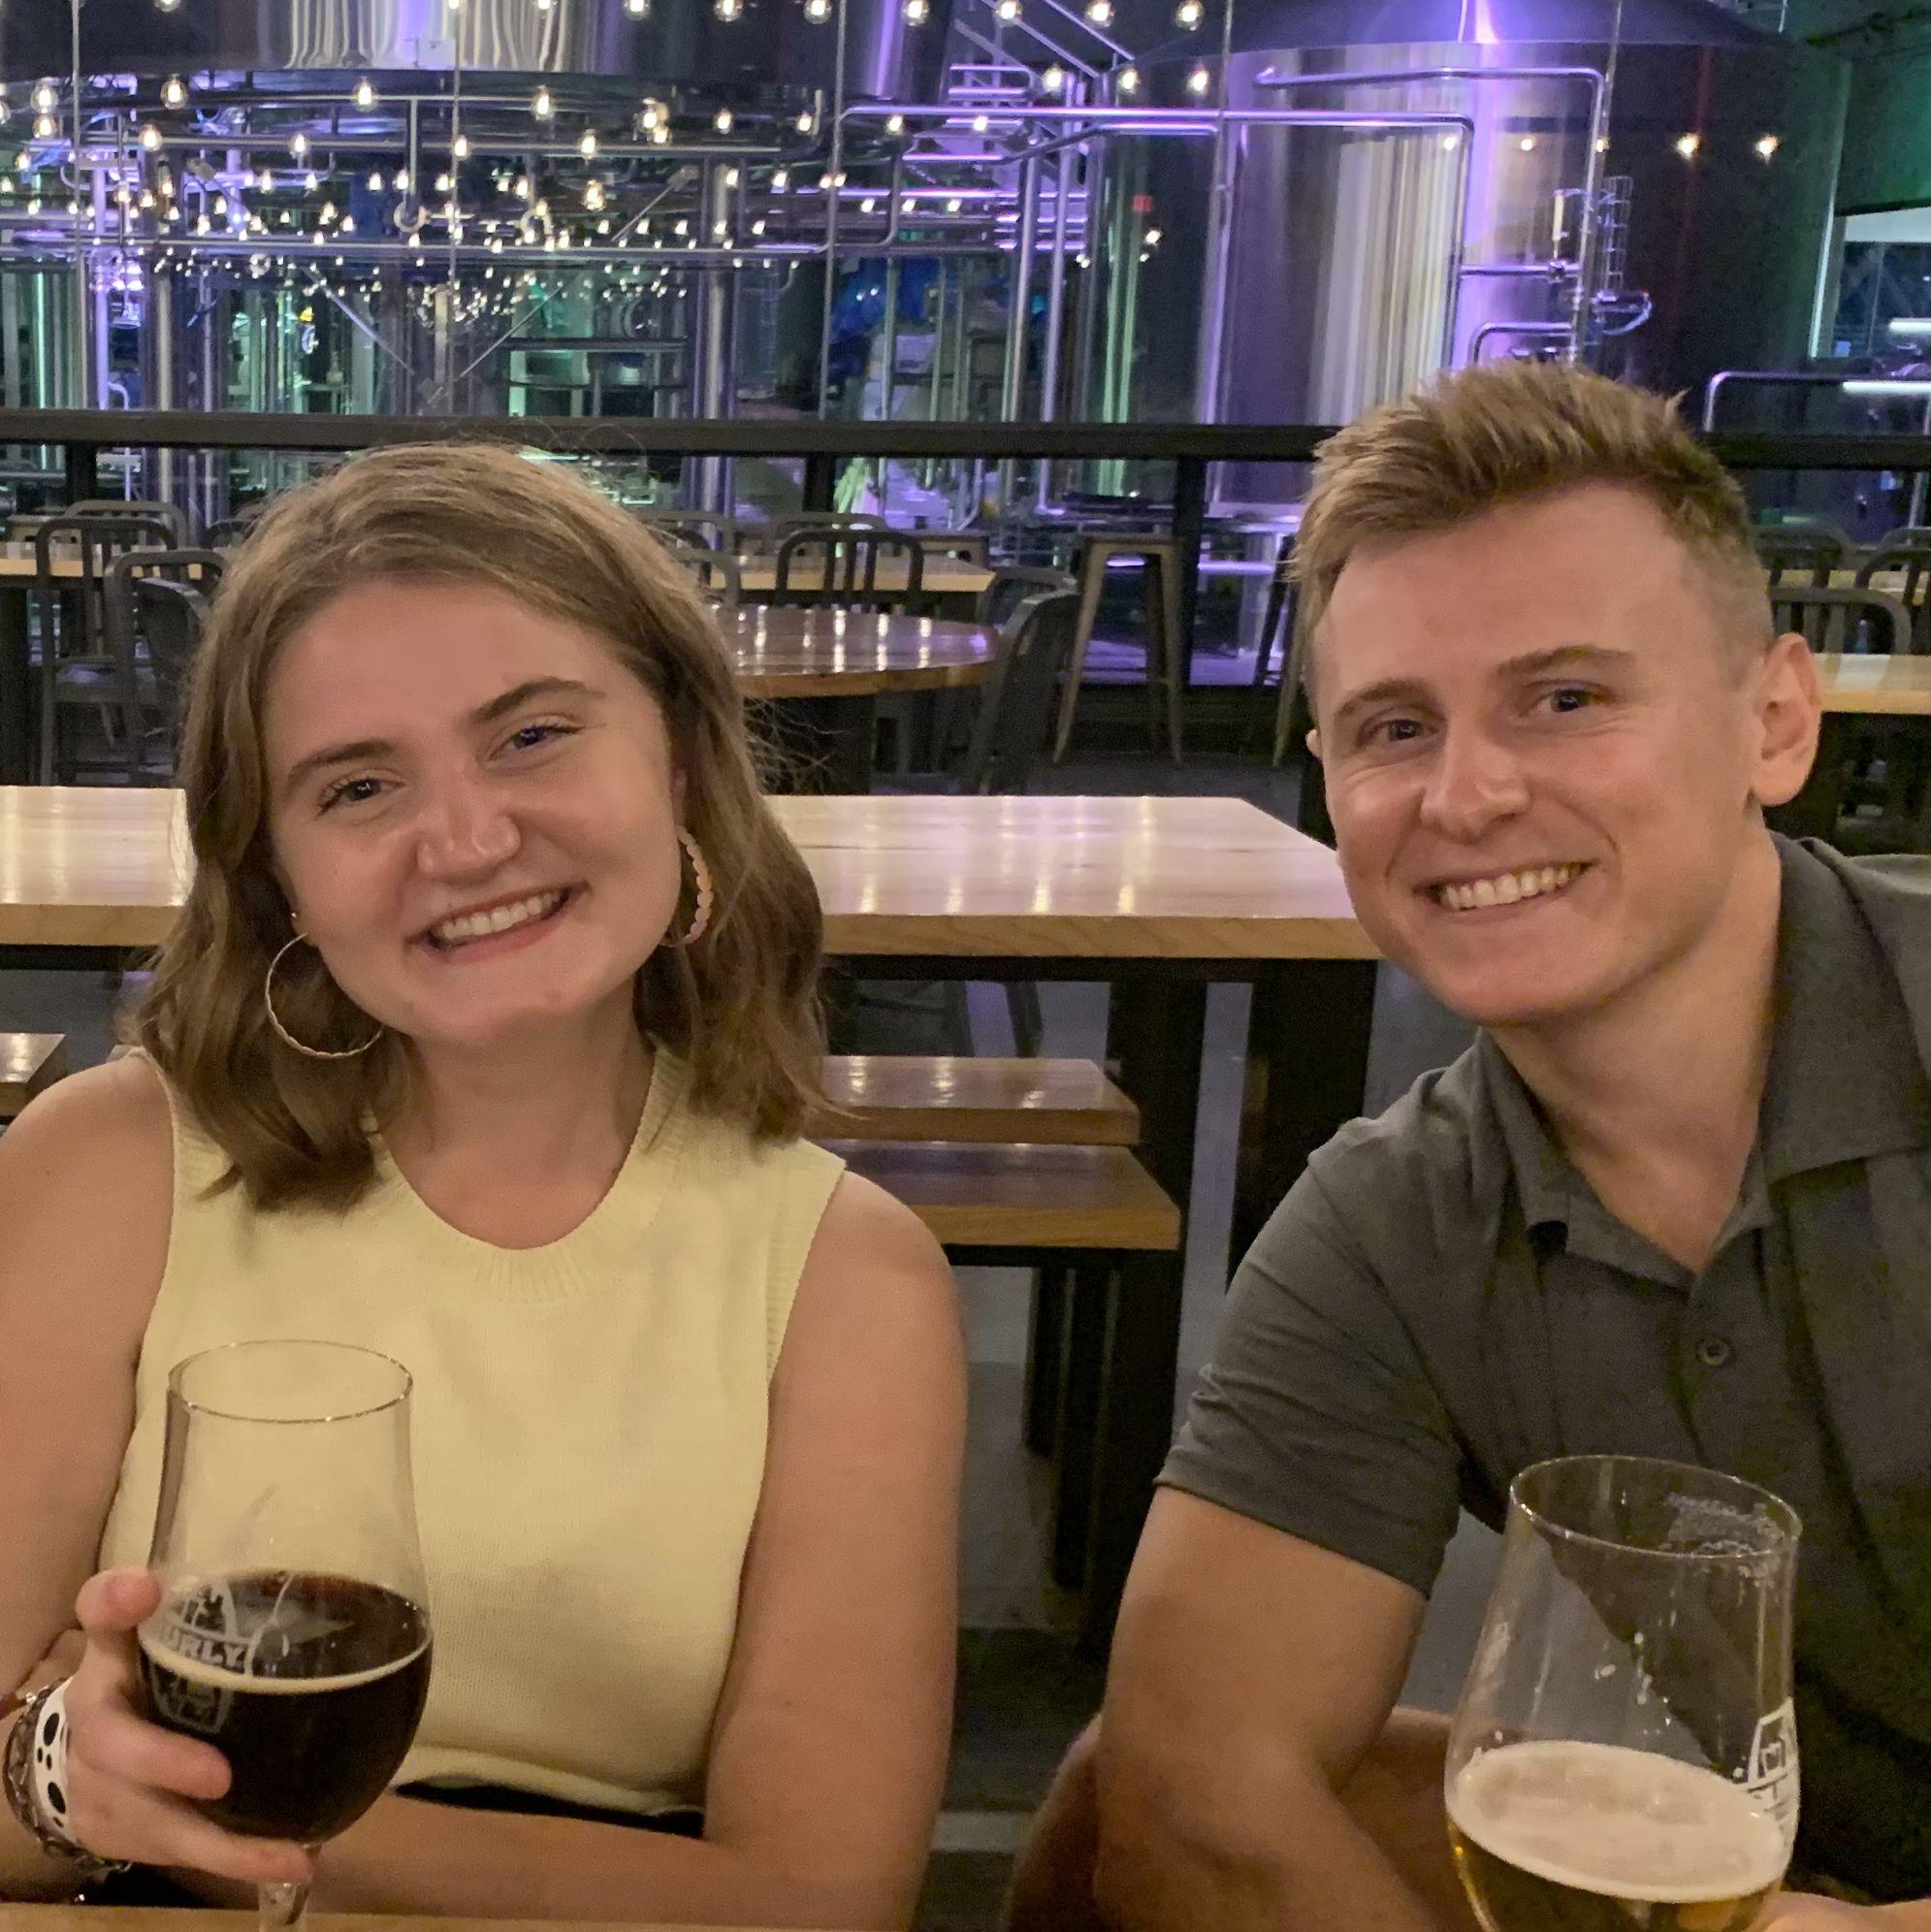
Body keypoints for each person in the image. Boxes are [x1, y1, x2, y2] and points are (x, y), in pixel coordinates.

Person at [1008, 360, 1931, 1931]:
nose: (1469, 794)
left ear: (1775, 722)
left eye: (1566, 700)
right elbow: (1195, 1797)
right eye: (1395, 726)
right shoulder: (1400, 1218)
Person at [0, 445, 965, 1926]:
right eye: (358, 786)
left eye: (531, 736)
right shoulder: (105, 1169)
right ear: (277, 876)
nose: (463, 841)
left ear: (682, 759)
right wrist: (63, 1788)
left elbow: (821, 1902)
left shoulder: (848, 1278)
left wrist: (197, 1811)